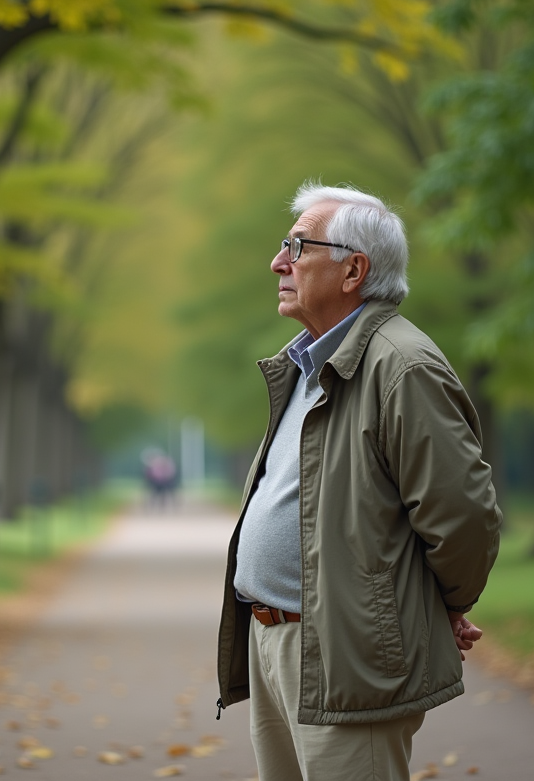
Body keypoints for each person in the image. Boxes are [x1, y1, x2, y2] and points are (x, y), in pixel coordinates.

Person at [215, 182, 502, 781]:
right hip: (273, 641)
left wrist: (443, 607)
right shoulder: (308, 363)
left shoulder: (402, 366)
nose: (278, 261)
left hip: (346, 656)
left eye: (297, 245)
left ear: (354, 271)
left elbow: (464, 518)